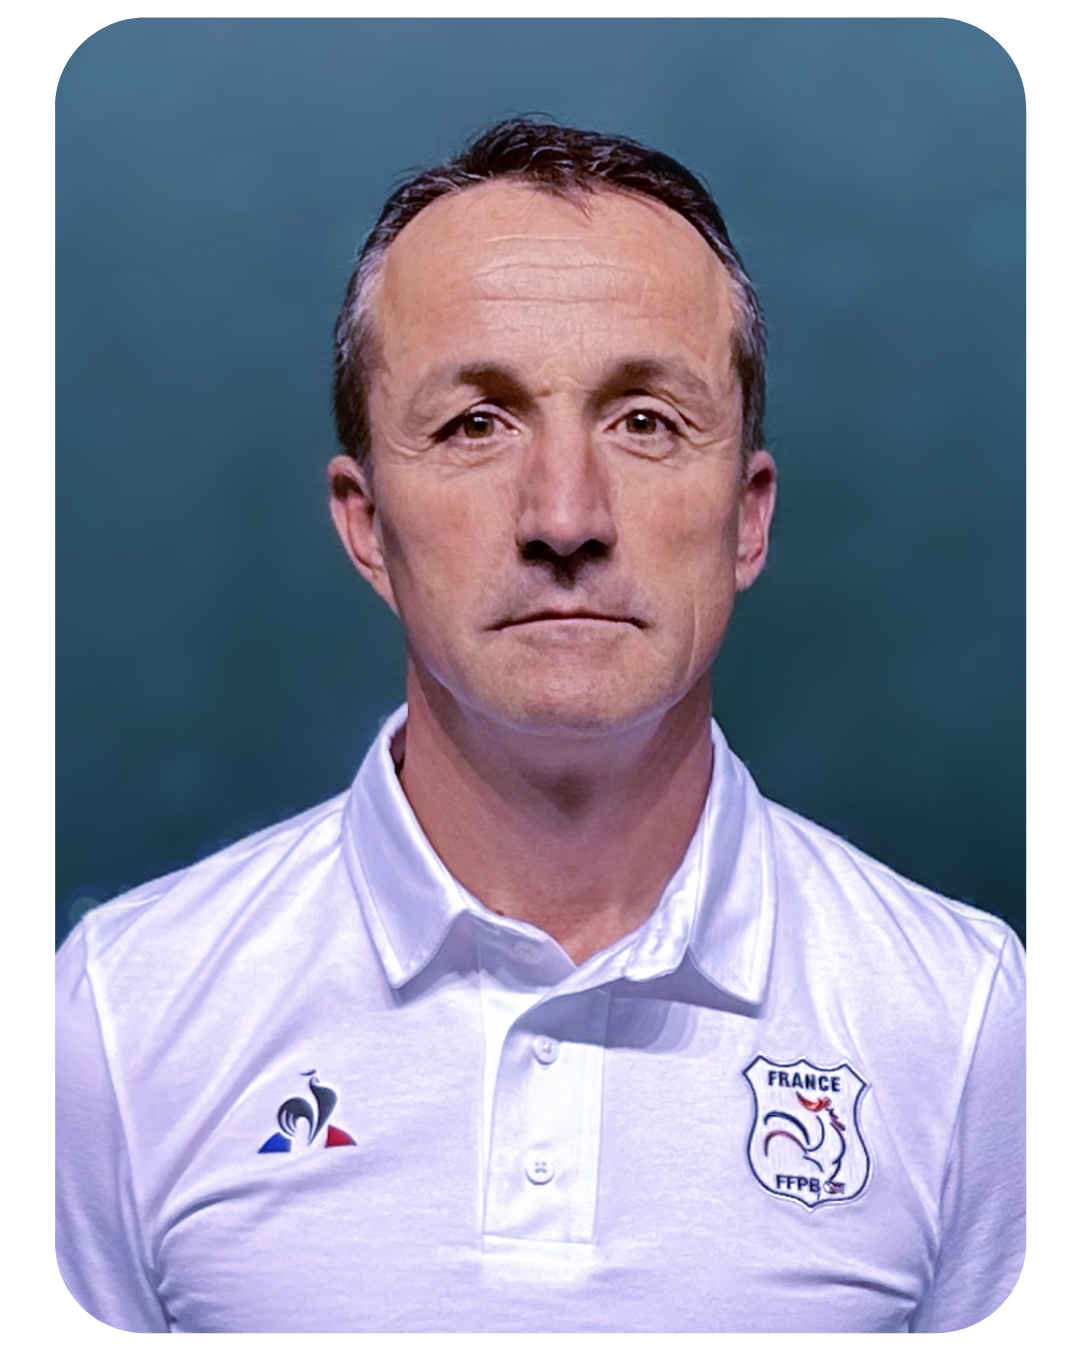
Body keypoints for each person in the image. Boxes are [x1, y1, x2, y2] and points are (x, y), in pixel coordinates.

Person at [56, 118, 1024, 1333]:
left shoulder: (972, 1024)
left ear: (747, 518)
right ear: (365, 525)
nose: (565, 518)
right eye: (476, 423)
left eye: (646, 422)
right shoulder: (118, 1018)